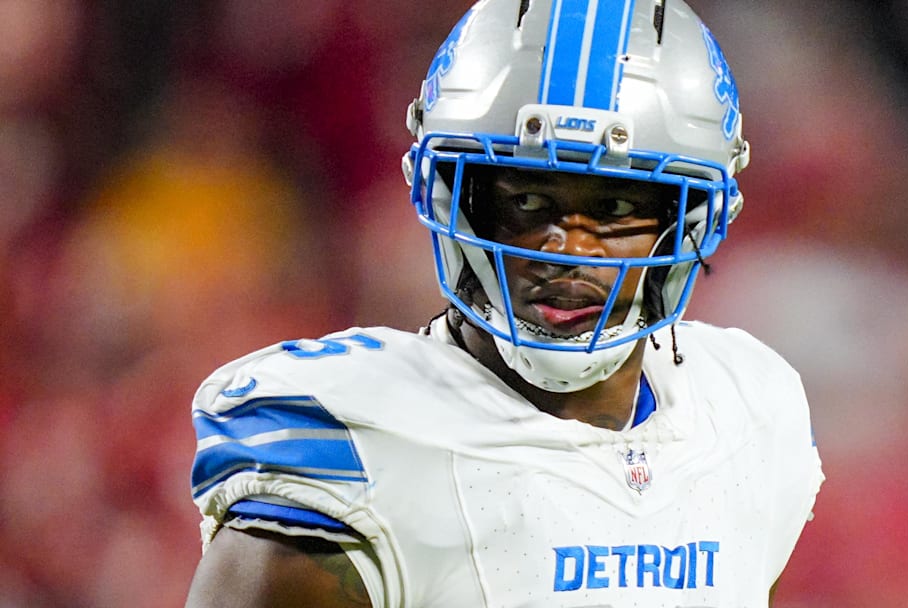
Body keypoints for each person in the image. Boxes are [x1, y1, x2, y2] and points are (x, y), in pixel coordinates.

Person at [184, 0, 824, 606]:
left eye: (618, 206)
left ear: (694, 218)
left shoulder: (748, 416)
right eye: (526, 201)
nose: (569, 249)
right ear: (448, 197)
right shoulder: (353, 448)